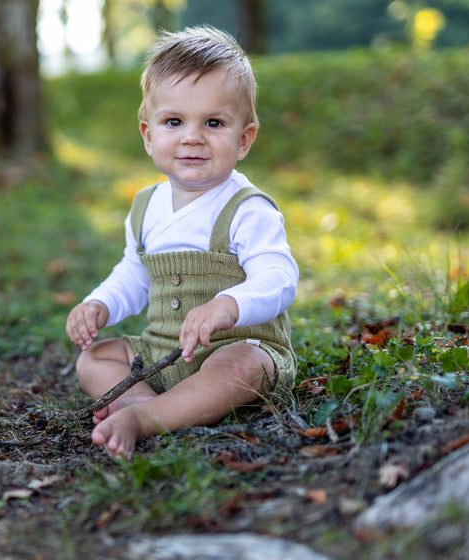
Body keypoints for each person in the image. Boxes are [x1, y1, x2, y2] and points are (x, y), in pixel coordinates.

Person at [66, 26, 298, 460]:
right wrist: (100, 304)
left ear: (243, 139)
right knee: (93, 359)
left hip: (233, 348)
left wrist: (228, 305)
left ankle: (143, 419)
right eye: (174, 122)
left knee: (245, 366)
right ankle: (147, 405)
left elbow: (279, 277)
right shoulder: (146, 206)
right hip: (162, 353)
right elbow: (134, 274)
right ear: (148, 134)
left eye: (213, 123)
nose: (192, 136)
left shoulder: (247, 207)